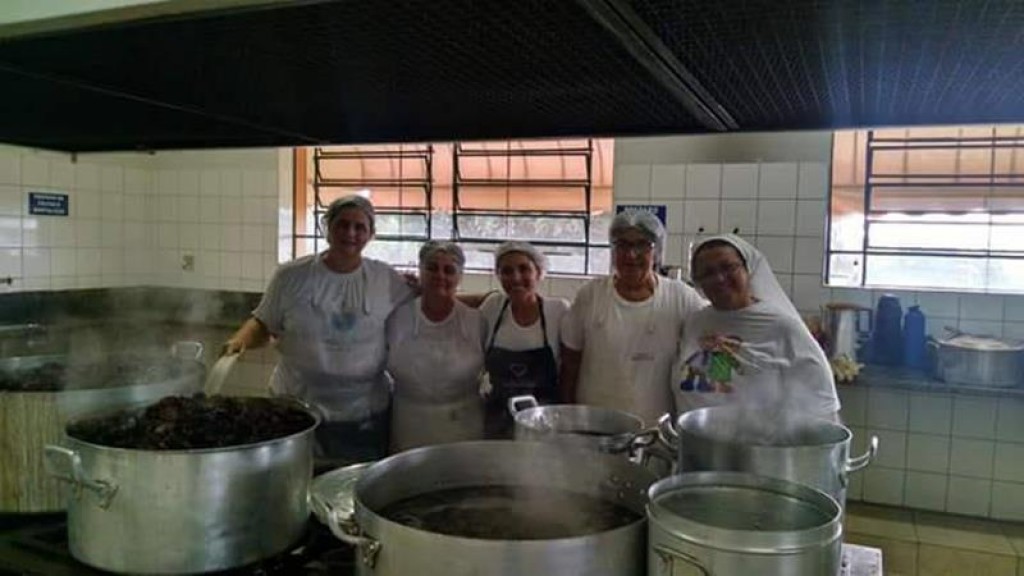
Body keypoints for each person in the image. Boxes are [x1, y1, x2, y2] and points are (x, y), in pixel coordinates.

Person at [222, 195, 414, 464]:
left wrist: (482, 300)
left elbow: (427, 306)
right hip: (296, 408)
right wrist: (239, 341)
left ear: (371, 234)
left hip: (364, 414)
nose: (350, 233)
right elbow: (263, 322)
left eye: (360, 227)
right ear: (327, 227)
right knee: (295, 485)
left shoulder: (386, 279)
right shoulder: (291, 276)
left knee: (351, 490)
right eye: (342, 224)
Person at [559, 211, 706, 426]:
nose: (631, 255)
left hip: (655, 429)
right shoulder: (591, 295)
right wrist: (568, 417)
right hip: (594, 424)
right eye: (623, 245)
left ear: (656, 252)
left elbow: (710, 340)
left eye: (642, 245)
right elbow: (570, 360)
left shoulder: (681, 297)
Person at [674, 233, 840, 422]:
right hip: (693, 446)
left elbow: (823, 406)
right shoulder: (695, 322)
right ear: (698, 282)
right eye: (708, 273)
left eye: (728, 267)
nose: (719, 278)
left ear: (748, 270)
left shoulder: (783, 328)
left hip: (759, 448)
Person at [386, 241, 487, 452]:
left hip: (464, 428)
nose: (440, 275)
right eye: (431, 268)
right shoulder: (397, 318)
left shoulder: (477, 321)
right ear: (420, 271)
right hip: (408, 427)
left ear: (460, 277)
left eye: (449, 270)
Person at [479, 241, 570, 438]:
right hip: (498, 422)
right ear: (499, 276)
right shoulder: (492, 307)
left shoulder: (558, 311)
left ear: (538, 272)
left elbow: (571, 366)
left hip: (544, 421)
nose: (516, 278)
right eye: (507, 271)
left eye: (524, 269)